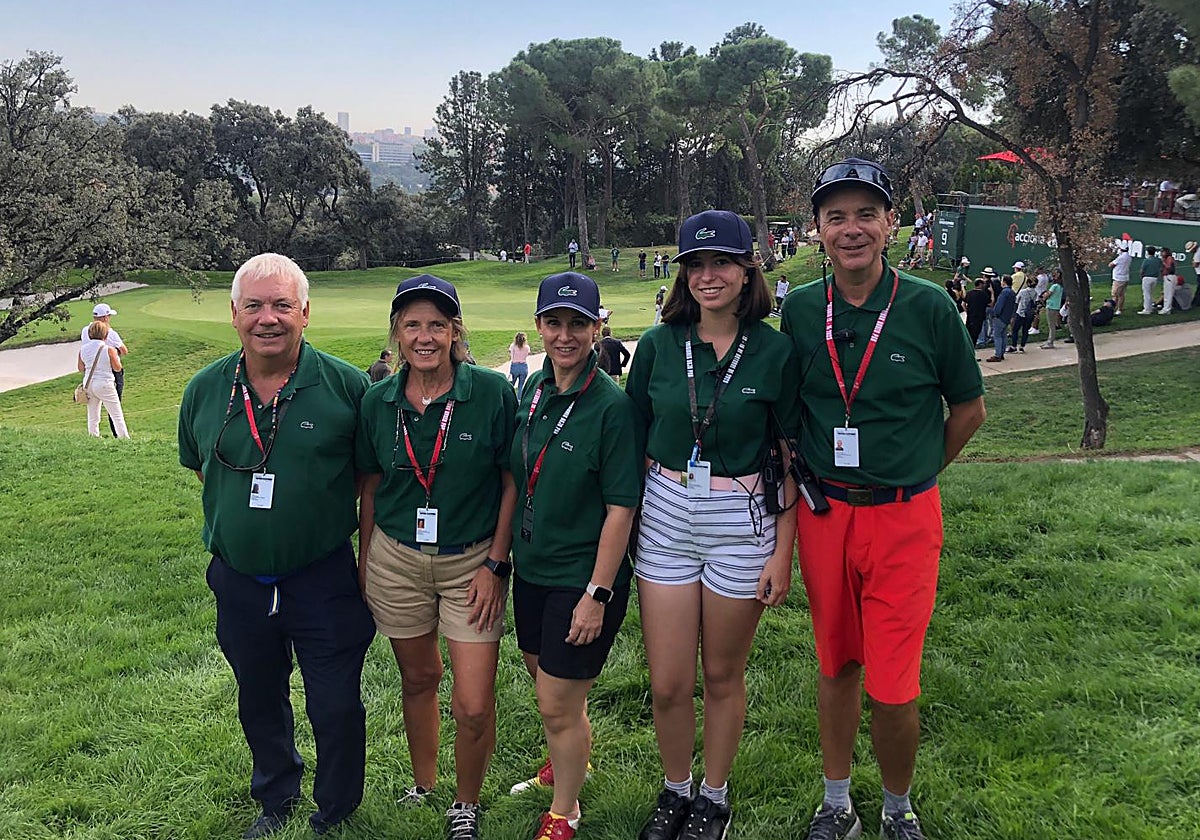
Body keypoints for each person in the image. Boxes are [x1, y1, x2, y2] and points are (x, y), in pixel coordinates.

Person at [779, 158, 985, 840]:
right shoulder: (801, 311)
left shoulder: (928, 307)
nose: (852, 229)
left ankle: (899, 808)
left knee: (894, 683)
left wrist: (918, 471)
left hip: (904, 515)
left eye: (866, 214)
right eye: (835, 216)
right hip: (825, 514)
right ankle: (836, 803)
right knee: (836, 663)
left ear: (891, 223)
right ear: (817, 229)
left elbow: (968, 410)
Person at [177, 253, 375, 838]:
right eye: (255, 306)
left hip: (322, 576)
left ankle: (335, 808)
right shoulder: (204, 389)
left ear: (305, 313)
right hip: (238, 579)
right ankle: (276, 796)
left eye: (283, 305)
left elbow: (367, 479)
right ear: (234, 314)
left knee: (335, 703)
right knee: (259, 697)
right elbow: (203, 469)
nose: (269, 318)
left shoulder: (346, 386)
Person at [626, 209, 799, 840]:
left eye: (722, 262)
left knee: (722, 675)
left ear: (747, 269)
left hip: (742, 517)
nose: (708, 276)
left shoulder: (775, 350)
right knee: (669, 682)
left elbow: (790, 457)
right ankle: (676, 790)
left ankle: (713, 798)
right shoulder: (658, 344)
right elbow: (633, 436)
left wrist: (782, 553)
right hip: (667, 513)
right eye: (695, 265)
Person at [356, 274, 518, 840]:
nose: (424, 337)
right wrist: (366, 563)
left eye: (436, 325)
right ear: (396, 334)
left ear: (454, 332)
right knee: (419, 677)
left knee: (472, 703)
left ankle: (465, 803)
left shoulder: (490, 394)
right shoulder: (377, 400)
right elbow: (370, 487)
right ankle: (424, 784)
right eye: (412, 325)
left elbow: (511, 483)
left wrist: (497, 563)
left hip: (471, 563)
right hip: (396, 559)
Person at [509, 271, 643, 840]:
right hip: (532, 570)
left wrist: (597, 594)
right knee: (550, 685)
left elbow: (621, 509)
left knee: (556, 701)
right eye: (554, 322)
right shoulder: (534, 390)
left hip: (583, 576)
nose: (565, 335)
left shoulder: (611, 407)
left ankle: (564, 813)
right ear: (539, 326)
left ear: (596, 329)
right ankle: (570, 761)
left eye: (577, 324)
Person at [83, 303, 129, 437]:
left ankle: (93, 436)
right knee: (116, 412)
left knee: (93, 415)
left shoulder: (85, 332)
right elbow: (122, 354)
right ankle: (122, 437)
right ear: (105, 318)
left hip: (89, 378)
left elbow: (80, 366)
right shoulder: (110, 335)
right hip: (105, 378)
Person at [987, 276, 1016, 362]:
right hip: (1007, 317)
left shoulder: (1004, 292)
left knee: (997, 336)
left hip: (1000, 317)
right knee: (1003, 335)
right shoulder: (1012, 292)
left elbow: (999, 305)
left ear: (1004, 282)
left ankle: (997, 355)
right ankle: (1001, 353)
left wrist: (995, 313)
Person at [1010, 276, 1039, 352]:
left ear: (1028, 283)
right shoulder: (1035, 293)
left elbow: (1016, 301)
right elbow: (1035, 303)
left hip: (1020, 312)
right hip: (1029, 314)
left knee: (1015, 330)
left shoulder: (1022, 291)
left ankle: (1014, 346)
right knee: (1025, 330)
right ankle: (1022, 346)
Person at [1040, 269, 1065, 349]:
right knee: (1052, 325)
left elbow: (1047, 295)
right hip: (1056, 306)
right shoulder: (1061, 286)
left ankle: (1050, 342)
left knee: (1051, 325)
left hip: (1051, 306)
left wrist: (1043, 296)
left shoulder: (1054, 286)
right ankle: (1049, 341)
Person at [963, 278, 990, 347]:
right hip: (979, 316)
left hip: (970, 316)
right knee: (977, 333)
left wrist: (967, 311)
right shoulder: (983, 294)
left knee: (970, 333)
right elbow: (991, 303)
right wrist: (992, 293)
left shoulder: (969, 293)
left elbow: (963, 304)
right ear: (980, 284)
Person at [1139, 246, 1163, 315]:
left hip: (1147, 277)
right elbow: (1161, 268)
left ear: (1147, 252)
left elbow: (1142, 270)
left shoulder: (1146, 260)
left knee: (1146, 294)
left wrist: (1141, 277)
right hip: (1155, 278)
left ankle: (1147, 309)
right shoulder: (1158, 260)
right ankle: (1150, 307)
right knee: (1150, 293)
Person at [1108, 244, 1132, 315]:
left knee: (1115, 295)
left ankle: (1113, 309)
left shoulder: (1120, 258)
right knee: (1121, 294)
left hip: (1118, 278)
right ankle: (1119, 309)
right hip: (1125, 277)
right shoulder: (1129, 257)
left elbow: (1110, 264)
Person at [509, 331, 532, 397]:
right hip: (523, 366)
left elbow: (510, 353)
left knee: (511, 384)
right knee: (521, 386)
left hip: (515, 366)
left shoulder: (513, 346)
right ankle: (519, 399)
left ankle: (510, 398)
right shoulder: (527, 347)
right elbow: (528, 354)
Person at [1159, 246, 1179, 314]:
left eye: (1162, 252)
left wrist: (1163, 262)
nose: (1161, 253)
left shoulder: (1169, 258)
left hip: (1170, 276)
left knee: (1169, 294)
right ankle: (1165, 308)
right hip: (1167, 276)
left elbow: (1169, 267)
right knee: (1166, 293)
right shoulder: (1166, 258)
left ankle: (1167, 309)